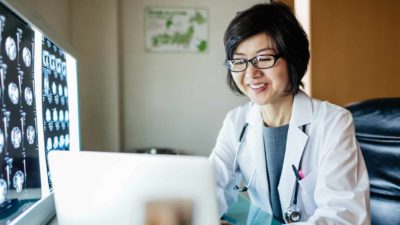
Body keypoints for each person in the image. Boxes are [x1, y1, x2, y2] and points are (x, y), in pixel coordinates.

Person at [209, 2, 370, 224]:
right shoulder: (236, 122)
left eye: (263, 58)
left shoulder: (333, 122)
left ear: (292, 58)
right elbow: (209, 189)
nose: (251, 73)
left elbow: (342, 216)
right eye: (240, 61)